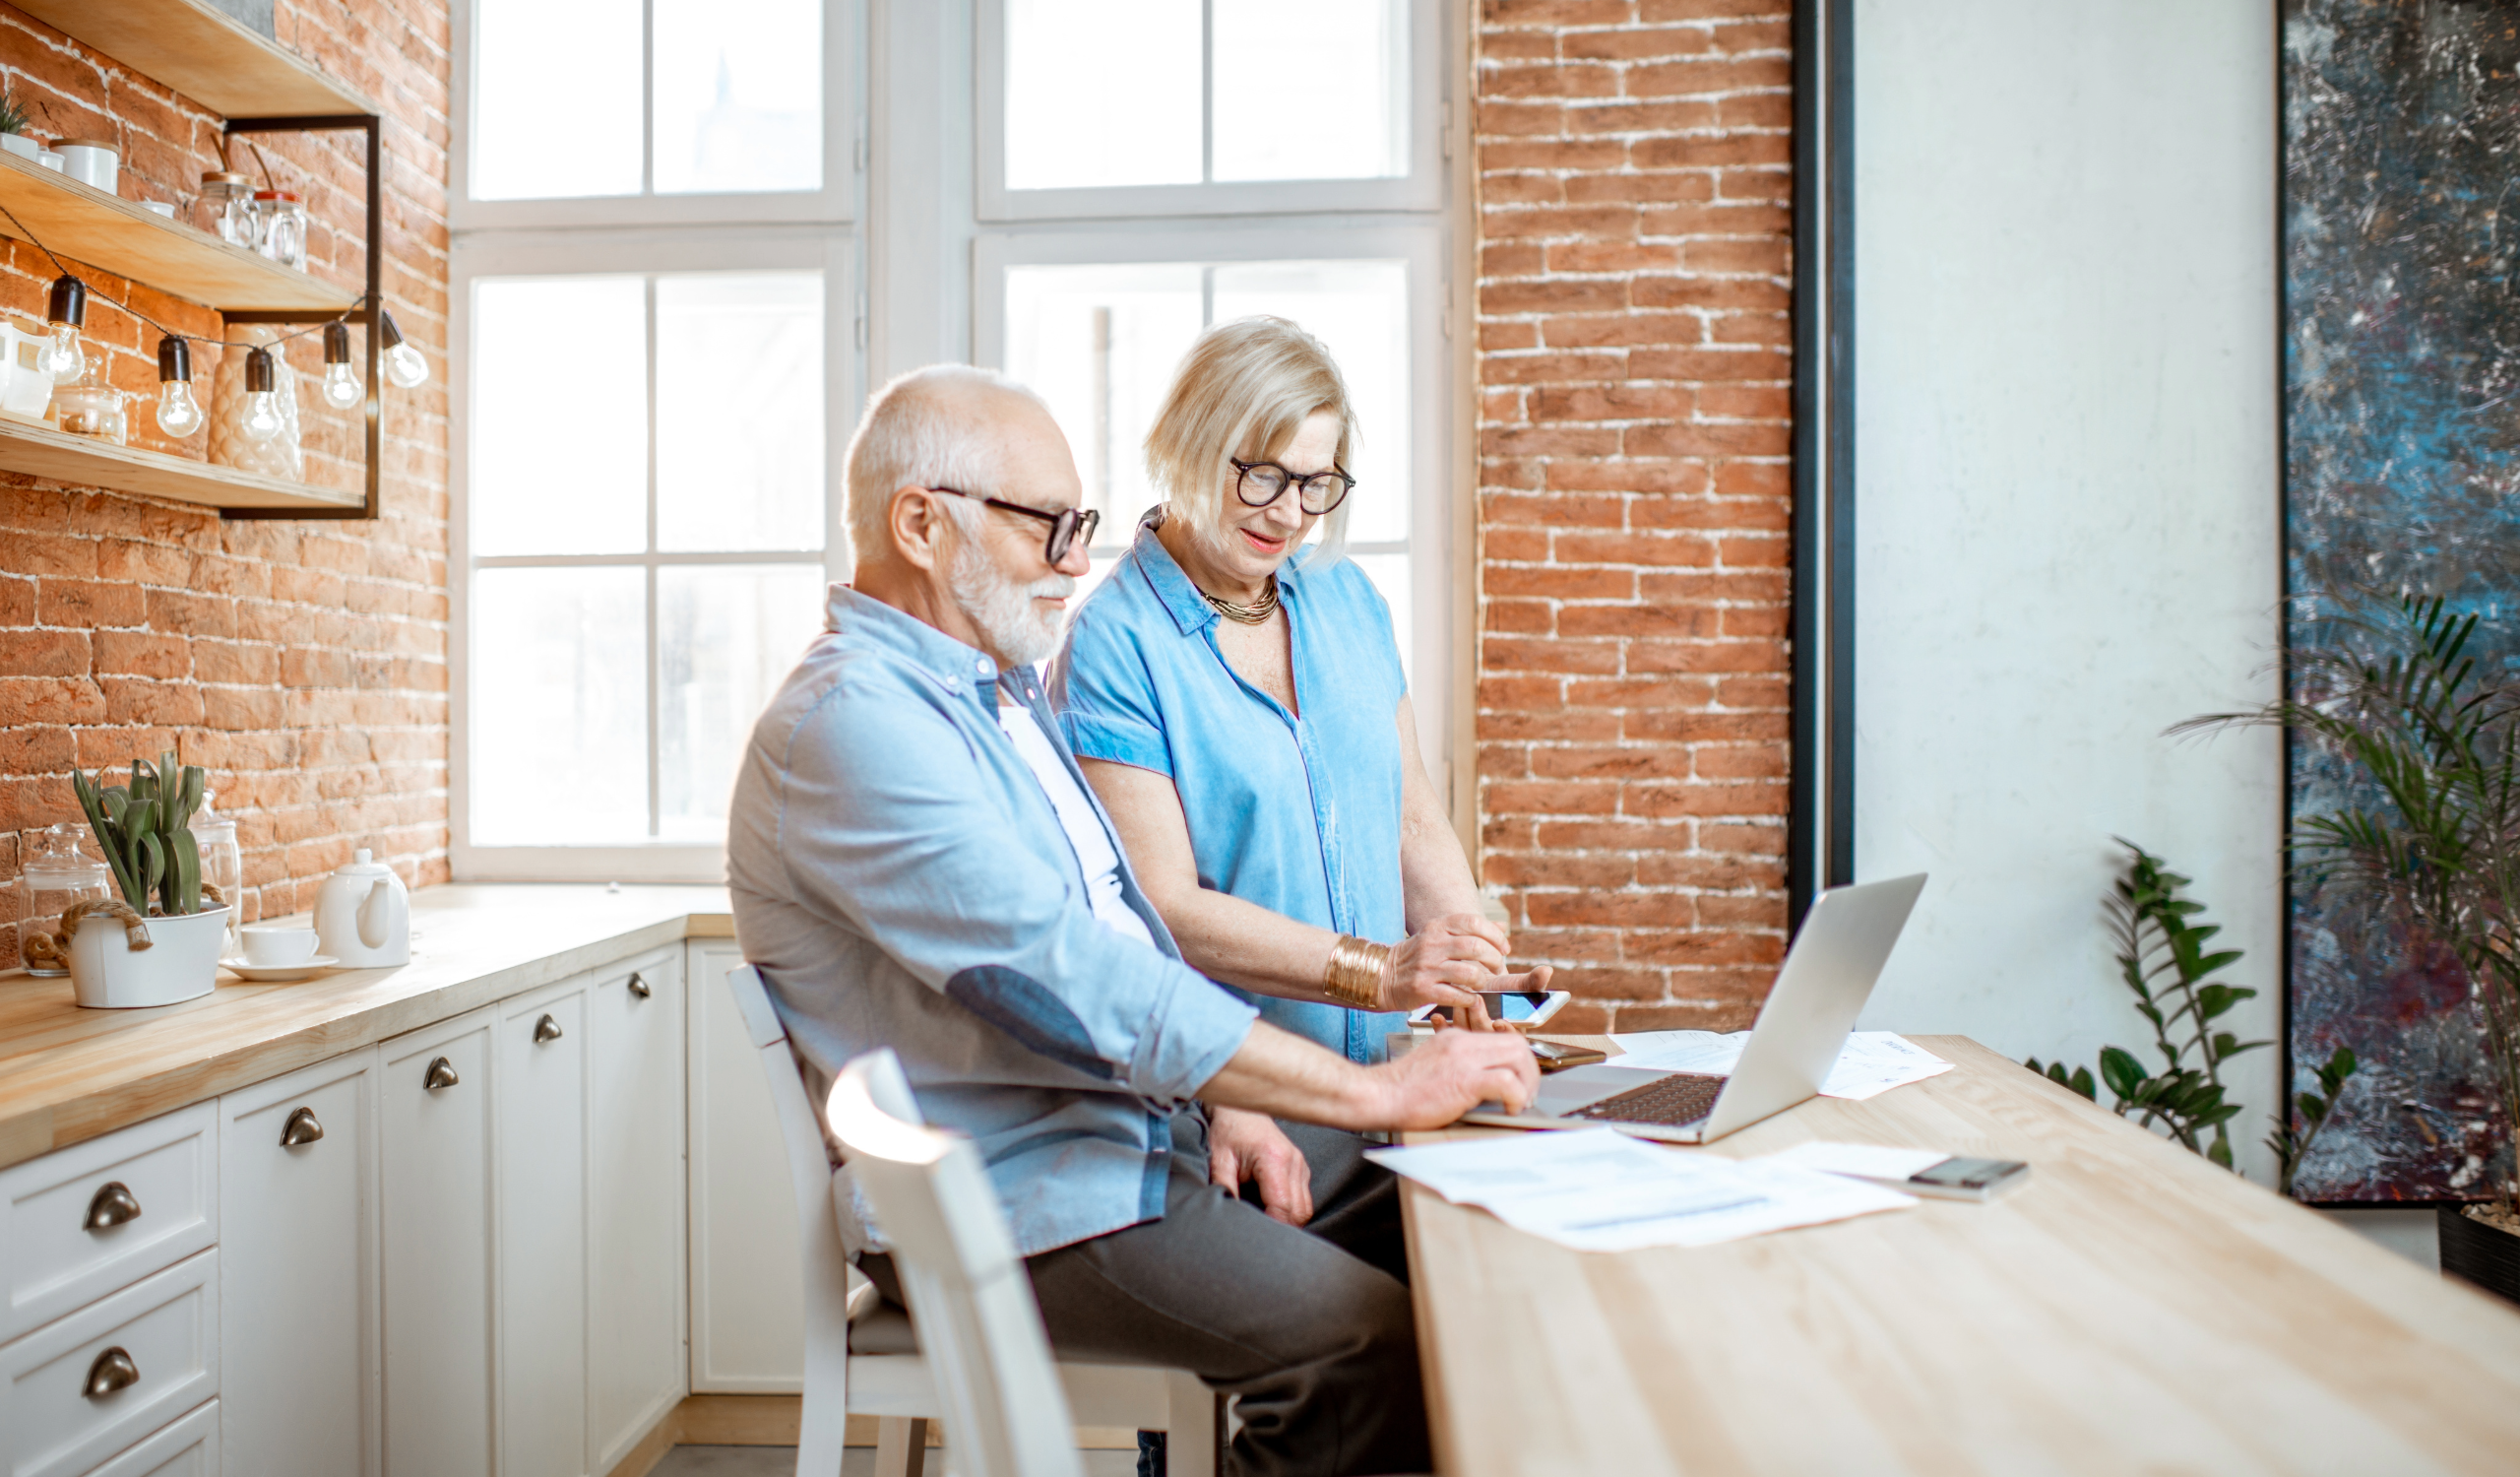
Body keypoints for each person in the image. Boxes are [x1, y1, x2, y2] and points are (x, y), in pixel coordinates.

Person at [726, 363, 1539, 1477]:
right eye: (1046, 526)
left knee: (1454, 1251)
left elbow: (1115, 931)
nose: (1074, 558)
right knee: (1367, 1339)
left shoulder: (990, 696)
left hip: (1122, 1144)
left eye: (1081, 525)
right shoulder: (853, 727)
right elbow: (1073, 979)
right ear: (919, 523)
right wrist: (1370, 1087)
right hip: (1033, 1194)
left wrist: (1226, 1097)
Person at [1051, 316, 1551, 1226]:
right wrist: (1384, 970)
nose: (1289, 513)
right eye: (1263, 475)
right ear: (1189, 445)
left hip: (1400, 1078)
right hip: (1254, 1107)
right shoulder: (1115, 644)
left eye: (1316, 482)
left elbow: (1409, 822)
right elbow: (1164, 908)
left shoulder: (1348, 600)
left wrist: (1470, 971)